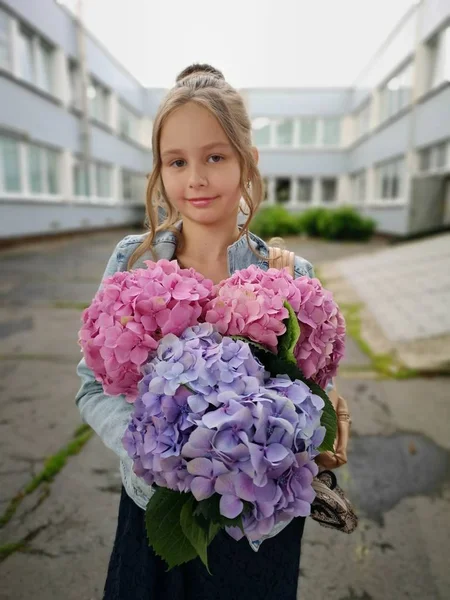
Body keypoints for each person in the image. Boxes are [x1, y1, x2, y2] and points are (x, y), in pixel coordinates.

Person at [75, 63, 320, 600]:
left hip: (256, 530)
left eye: (215, 156)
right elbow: (91, 388)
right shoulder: (132, 261)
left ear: (248, 162)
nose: (197, 178)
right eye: (177, 161)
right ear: (159, 171)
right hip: (152, 514)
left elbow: (313, 403)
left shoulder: (288, 276)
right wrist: (156, 456)